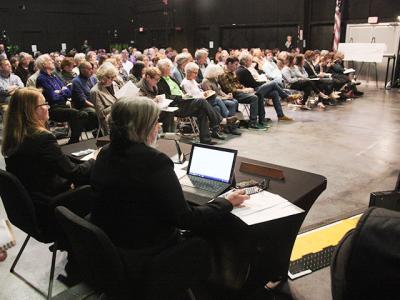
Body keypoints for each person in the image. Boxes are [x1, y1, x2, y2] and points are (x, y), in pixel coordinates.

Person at [90, 96, 248, 297]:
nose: (160, 125)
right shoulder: (154, 161)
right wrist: (225, 202)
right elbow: (186, 219)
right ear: (142, 126)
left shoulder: (105, 153)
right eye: (156, 121)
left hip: (114, 243)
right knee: (205, 237)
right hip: (146, 251)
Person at [2, 87, 94, 231]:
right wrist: (95, 158)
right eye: (44, 104)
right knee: (95, 182)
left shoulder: (13, 137)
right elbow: (74, 173)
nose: (48, 107)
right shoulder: (42, 138)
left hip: (32, 208)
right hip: (51, 209)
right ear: (30, 111)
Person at [156, 59, 225, 144]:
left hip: (184, 101)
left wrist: (186, 95)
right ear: (163, 69)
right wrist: (181, 97)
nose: (170, 69)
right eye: (168, 68)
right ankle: (218, 121)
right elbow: (166, 96)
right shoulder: (159, 81)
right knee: (201, 101)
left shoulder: (170, 78)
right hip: (175, 105)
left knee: (202, 111)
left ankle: (206, 140)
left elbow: (180, 90)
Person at [35, 54, 87, 144]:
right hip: (52, 108)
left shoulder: (54, 76)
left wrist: (59, 92)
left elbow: (68, 92)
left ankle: (74, 140)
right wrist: (62, 91)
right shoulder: (41, 79)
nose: (52, 61)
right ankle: (74, 140)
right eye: (49, 60)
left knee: (84, 114)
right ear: (44, 64)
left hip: (64, 105)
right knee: (79, 114)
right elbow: (52, 97)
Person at [236, 53, 293, 122]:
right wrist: (264, 82)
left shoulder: (243, 69)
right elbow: (253, 84)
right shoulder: (244, 70)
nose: (251, 62)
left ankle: (280, 115)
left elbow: (253, 82)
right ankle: (286, 97)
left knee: (274, 93)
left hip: (254, 88)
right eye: (250, 60)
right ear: (245, 61)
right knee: (273, 83)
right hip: (253, 90)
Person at [90, 62, 120, 135]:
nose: (111, 80)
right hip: (110, 119)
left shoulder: (114, 84)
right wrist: (116, 105)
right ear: (102, 76)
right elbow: (101, 114)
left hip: (121, 112)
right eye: (109, 77)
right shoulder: (95, 91)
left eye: (113, 77)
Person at [71, 61, 98, 132]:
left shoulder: (93, 78)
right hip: (83, 107)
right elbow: (82, 100)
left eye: (91, 68)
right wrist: (95, 106)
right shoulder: (76, 81)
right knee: (95, 112)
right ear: (82, 70)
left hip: (95, 103)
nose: (91, 71)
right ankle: (97, 131)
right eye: (89, 69)